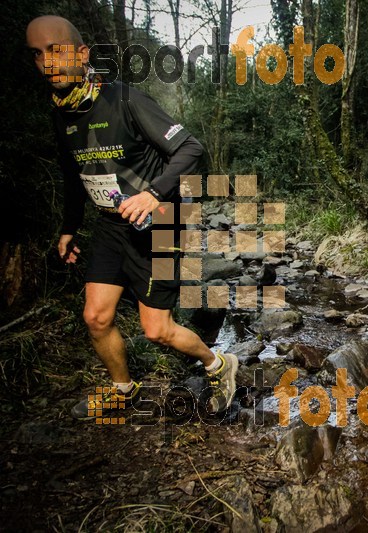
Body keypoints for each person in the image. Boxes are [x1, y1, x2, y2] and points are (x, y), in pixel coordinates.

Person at [26, 16, 238, 420]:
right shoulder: (61, 113)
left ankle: (219, 365)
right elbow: (74, 174)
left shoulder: (124, 99)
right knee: (96, 317)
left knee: (157, 330)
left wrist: (152, 193)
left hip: (159, 222)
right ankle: (122, 389)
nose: (47, 61)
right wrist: (69, 227)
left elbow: (190, 149)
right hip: (109, 224)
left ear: (82, 54)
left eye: (56, 50)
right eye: (37, 54)